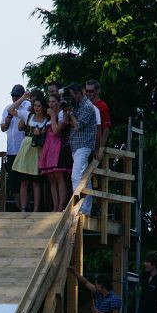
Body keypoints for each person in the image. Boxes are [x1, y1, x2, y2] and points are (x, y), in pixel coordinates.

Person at [7, 92, 49, 212]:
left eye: (39, 106)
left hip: (38, 150)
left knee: (36, 182)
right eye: (35, 105)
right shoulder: (28, 115)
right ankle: (24, 208)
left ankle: (36, 210)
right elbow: (11, 110)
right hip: (26, 148)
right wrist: (23, 98)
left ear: (44, 107)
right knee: (24, 181)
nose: (36, 108)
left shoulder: (47, 120)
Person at [62, 83, 97, 215]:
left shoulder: (88, 107)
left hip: (84, 145)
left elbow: (77, 126)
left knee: (76, 176)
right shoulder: (76, 105)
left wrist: (71, 113)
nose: (74, 97)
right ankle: (86, 209)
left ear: (81, 92)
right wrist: (65, 109)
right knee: (84, 177)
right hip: (75, 145)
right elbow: (66, 122)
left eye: (75, 94)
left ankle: (77, 207)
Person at [0, 84, 32, 211]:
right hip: (11, 150)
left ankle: (27, 206)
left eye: (17, 96)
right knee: (14, 182)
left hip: (24, 149)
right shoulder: (8, 108)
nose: (14, 98)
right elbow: (3, 128)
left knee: (25, 180)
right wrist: (8, 117)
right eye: (13, 95)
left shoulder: (28, 106)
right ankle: (19, 207)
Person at [39, 95, 72, 211]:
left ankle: (61, 205)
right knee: (51, 178)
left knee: (59, 176)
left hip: (59, 146)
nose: (51, 104)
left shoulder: (62, 114)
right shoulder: (49, 117)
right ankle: (55, 206)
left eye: (54, 102)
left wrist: (53, 116)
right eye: (50, 102)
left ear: (59, 102)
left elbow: (57, 130)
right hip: (49, 147)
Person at [85, 79, 111, 159]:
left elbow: (106, 129)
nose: (88, 93)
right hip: (85, 144)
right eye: (87, 91)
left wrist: (99, 149)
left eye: (91, 91)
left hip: (95, 147)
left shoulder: (103, 106)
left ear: (98, 91)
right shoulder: (84, 105)